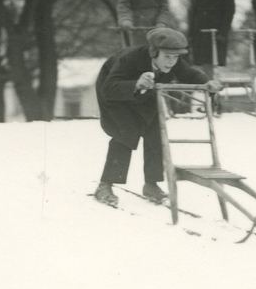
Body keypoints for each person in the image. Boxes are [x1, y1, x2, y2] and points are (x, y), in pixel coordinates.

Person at [93, 27, 221, 208]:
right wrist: (136, 84)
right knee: (127, 132)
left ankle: (151, 185)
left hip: (146, 91)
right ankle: (104, 186)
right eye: (167, 57)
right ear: (154, 52)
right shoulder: (129, 58)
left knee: (155, 131)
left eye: (175, 57)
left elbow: (189, 74)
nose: (171, 62)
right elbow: (109, 88)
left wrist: (206, 83)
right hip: (114, 91)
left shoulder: (173, 61)